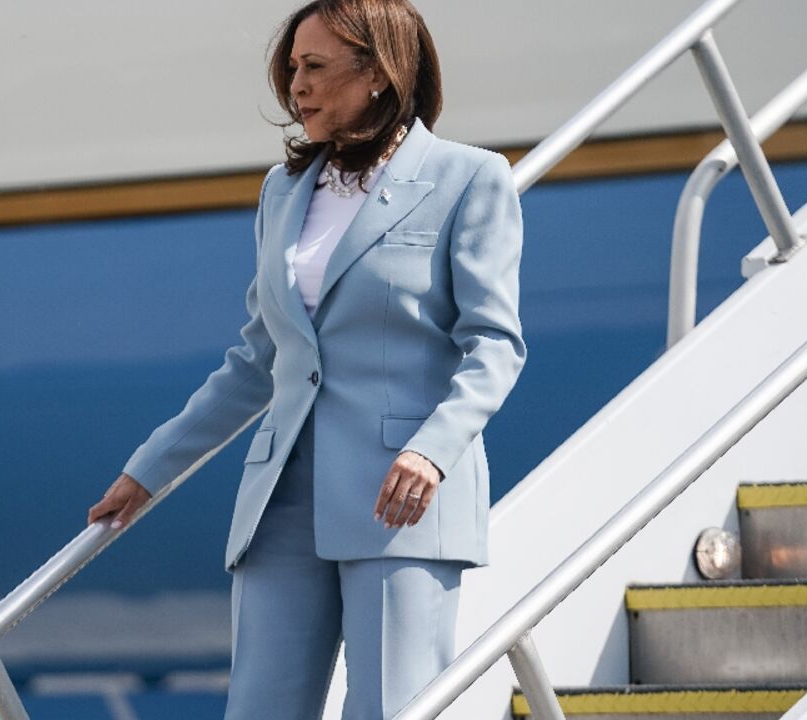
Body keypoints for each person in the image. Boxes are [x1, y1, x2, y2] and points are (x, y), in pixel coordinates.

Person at [87, 0, 525, 717]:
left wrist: (434, 451)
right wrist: (151, 468)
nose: (297, 87)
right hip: (281, 498)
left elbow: (496, 345)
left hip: (400, 499)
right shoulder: (283, 190)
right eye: (292, 68)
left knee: (390, 709)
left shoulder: (468, 179)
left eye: (315, 67)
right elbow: (259, 359)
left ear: (380, 73)